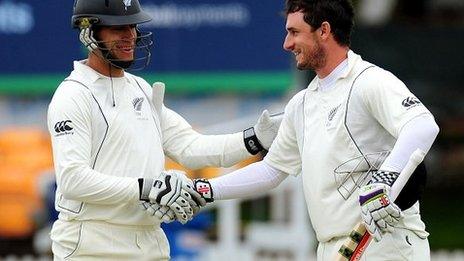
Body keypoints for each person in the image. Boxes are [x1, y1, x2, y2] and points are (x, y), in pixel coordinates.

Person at [178, 0, 440, 260]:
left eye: (294, 32)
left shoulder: (369, 81)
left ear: (324, 31)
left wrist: (385, 181)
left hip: (385, 243)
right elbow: (271, 171)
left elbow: (422, 124)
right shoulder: (302, 104)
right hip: (331, 248)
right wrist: (203, 190)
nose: (287, 44)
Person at [47, 0, 282, 260]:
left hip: (150, 242)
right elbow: (73, 181)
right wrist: (147, 188)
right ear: (89, 32)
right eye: (118, 28)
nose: (131, 36)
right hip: (92, 246)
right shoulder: (72, 95)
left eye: (133, 26)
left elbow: (190, 147)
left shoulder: (140, 89)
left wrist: (253, 140)